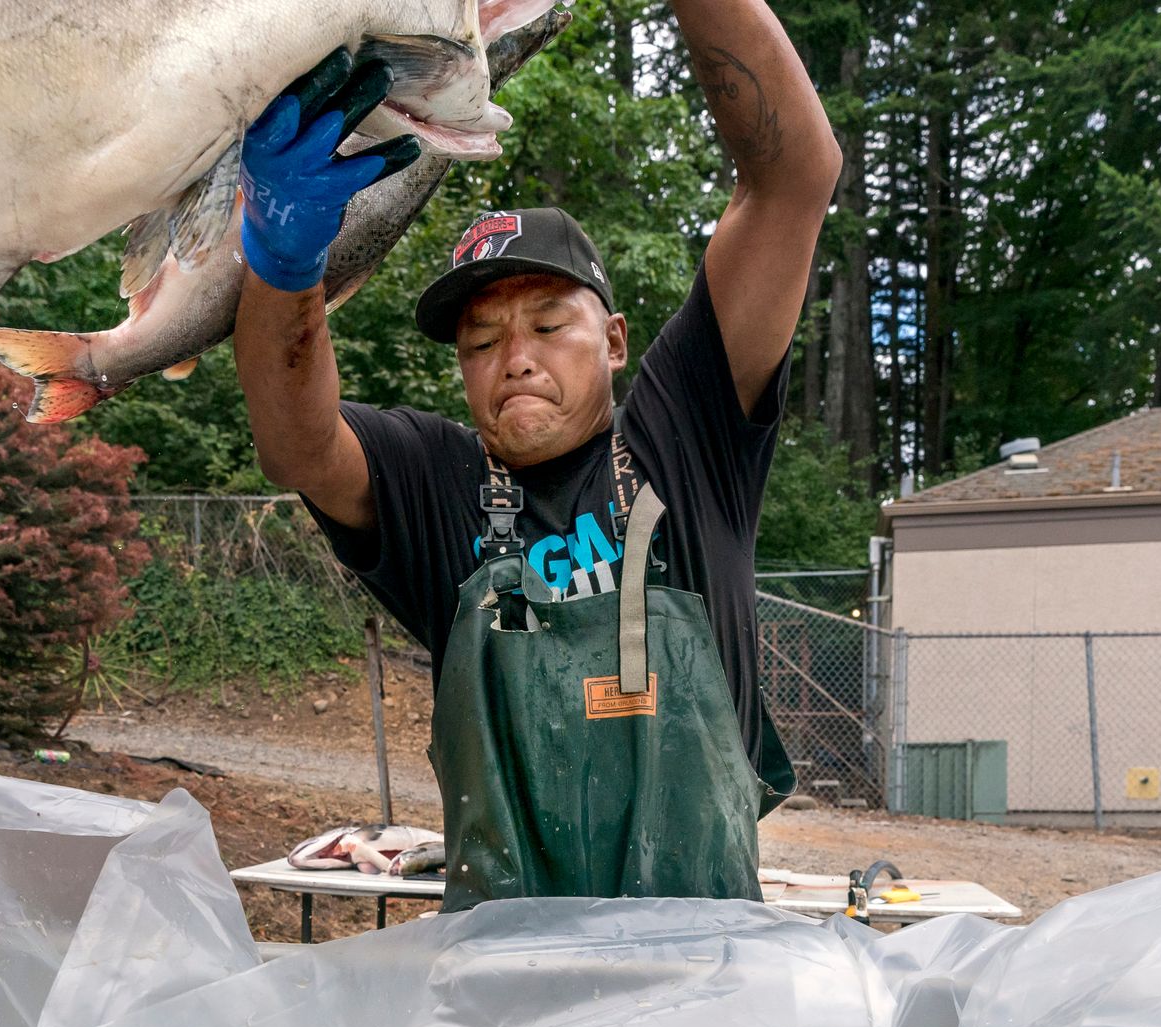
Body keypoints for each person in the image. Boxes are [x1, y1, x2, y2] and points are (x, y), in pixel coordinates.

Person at [233, 6, 842, 911]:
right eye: (480, 342)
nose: (515, 356)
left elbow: (795, 175)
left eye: (551, 325)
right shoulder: (439, 484)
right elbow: (297, 446)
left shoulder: (688, 436)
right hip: (499, 1001)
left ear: (615, 341)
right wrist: (283, 261)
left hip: (704, 987)